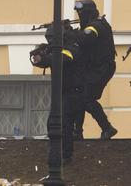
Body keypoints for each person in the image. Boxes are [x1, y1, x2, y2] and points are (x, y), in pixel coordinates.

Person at [31, 27, 83, 162]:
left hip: (73, 93)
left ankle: (66, 155)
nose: (50, 42)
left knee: (64, 124)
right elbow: (45, 61)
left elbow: (61, 59)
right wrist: (39, 56)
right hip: (61, 94)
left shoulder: (72, 48)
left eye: (52, 39)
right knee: (52, 124)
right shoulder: (56, 50)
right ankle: (56, 152)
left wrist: (45, 57)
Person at [72, 0, 118, 140]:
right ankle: (77, 132)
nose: (79, 16)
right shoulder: (91, 25)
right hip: (93, 67)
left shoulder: (96, 26)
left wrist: (68, 33)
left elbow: (83, 39)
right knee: (79, 97)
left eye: (81, 13)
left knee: (87, 98)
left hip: (102, 68)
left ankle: (107, 128)